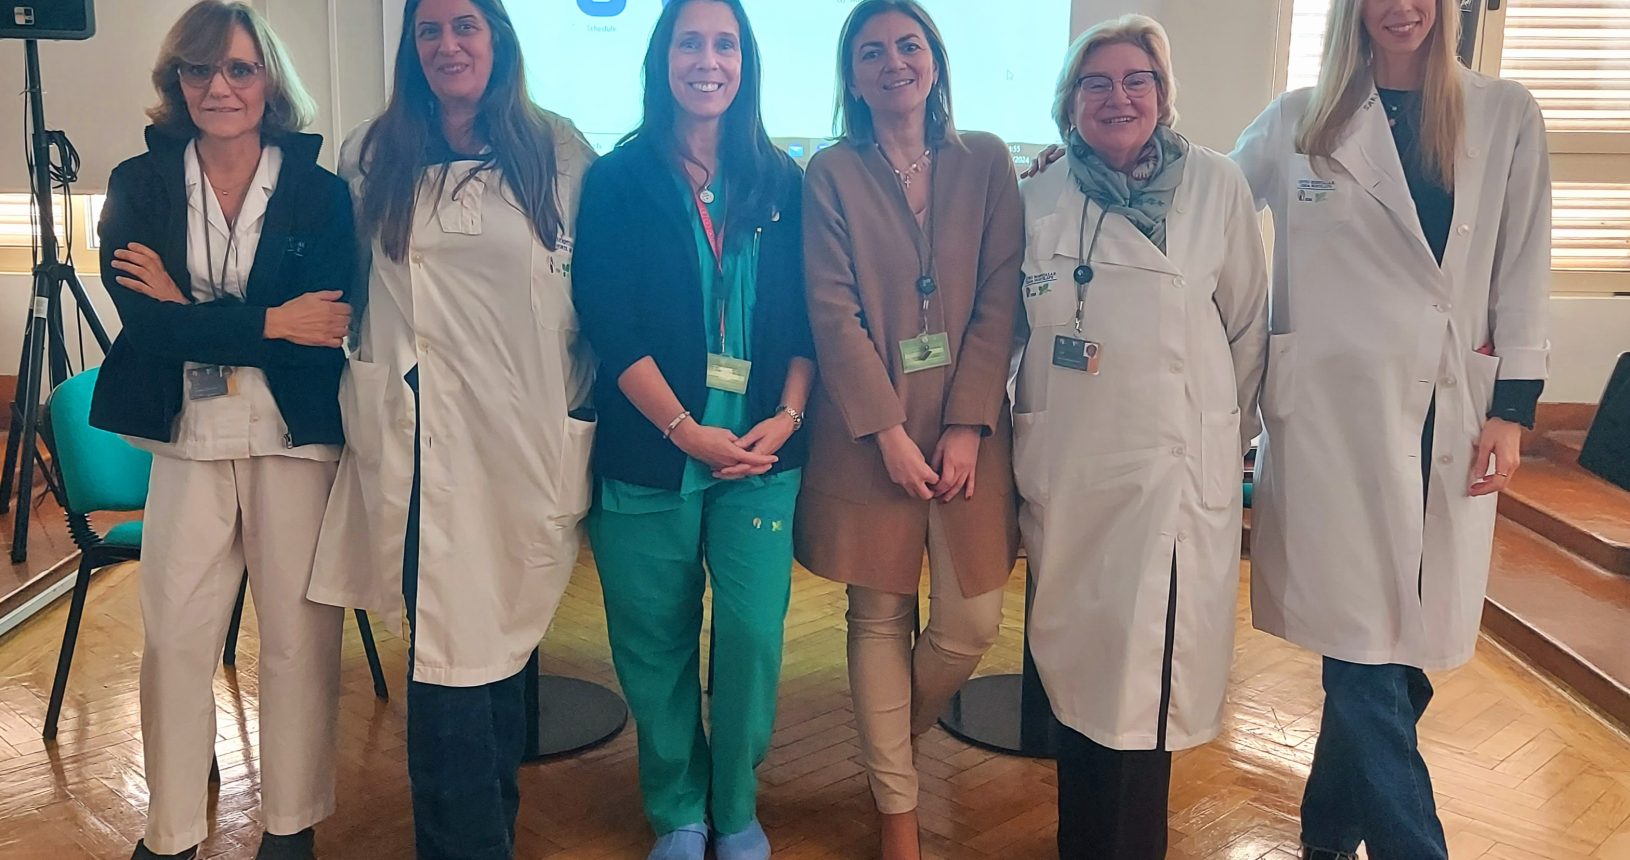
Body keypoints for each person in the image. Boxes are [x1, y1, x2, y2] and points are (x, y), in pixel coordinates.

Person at [1230, 0, 1551, 856]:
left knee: (1393, 658)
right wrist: (1085, 162)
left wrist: (1513, 410)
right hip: (1331, 419)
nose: (1399, 7)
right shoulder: (1300, 119)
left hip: (1447, 411)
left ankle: (1328, 831)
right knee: (1363, 652)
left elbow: (1525, 262)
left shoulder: (1503, 113)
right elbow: (1210, 198)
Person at [306, 0, 596, 857]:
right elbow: (343, 281)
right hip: (419, 440)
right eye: (428, 31)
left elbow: (592, 297)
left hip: (525, 437)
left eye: (465, 26)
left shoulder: (560, 151)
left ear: (498, 37)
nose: (447, 45)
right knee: (445, 664)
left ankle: (488, 831)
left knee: (499, 654)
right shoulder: (372, 154)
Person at [89, 2, 354, 858]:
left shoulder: (321, 192)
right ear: (177, 80)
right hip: (188, 436)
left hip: (293, 437)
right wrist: (271, 321)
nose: (219, 87)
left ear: (268, 80)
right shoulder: (139, 184)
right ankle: (169, 831)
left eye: (239, 69)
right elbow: (147, 326)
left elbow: (329, 325)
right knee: (174, 638)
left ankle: (290, 826)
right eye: (200, 69)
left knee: (297, 641)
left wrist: (194, 311)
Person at [1012, 15, 1269, 859]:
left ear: (1162, 94)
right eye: (1096, 83)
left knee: (1146, 694)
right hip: (1075, 477)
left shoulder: (1218, 185)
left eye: (1136, 80)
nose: (1117, 98)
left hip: (1171, 475)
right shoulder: (1036, 197)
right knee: (1082, 680)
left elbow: (1247, 328)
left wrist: (1222, 438)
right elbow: (1008, 335)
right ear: (1069, 103)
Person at [572, 3, 812, 857]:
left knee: (751, 635)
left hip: (761, 454)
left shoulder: (782, 181)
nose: (707, 61)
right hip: (651, 450)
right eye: (690, 43)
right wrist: (682, 428)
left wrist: (787, 416)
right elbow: (609, 320)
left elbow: (808, 316)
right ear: (661, 58)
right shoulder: (617, 179)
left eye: (724, 44)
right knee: (654, 642)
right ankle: (679, 806)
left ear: (745, 62)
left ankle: (735, 803)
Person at [794, 3, 1022, 858]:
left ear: (935, 60)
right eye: (871, 52)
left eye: (908, 45)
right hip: (867, 435)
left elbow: (1000, 300)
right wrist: (886, 431)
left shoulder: (987, 161)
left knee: (971, 623)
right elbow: (832, 311)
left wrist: (966, 425)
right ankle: (897, 809)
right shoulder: (829, 172)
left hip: (969, 434)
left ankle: (890, 741)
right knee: (878, 614)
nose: (893, 62)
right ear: (852, 78)